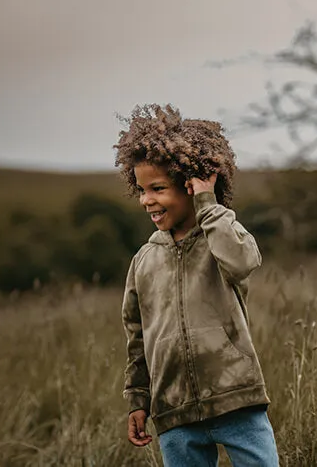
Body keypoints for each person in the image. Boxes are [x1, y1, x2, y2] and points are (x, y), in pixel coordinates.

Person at [114, 104, 278, 466]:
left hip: (237, 399)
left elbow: (242, 261)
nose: (146, 200)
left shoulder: (221, 237)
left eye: (157, 188)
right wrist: (139, 400)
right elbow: (136, 336)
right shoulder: (143, 260)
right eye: (141, 190)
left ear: (190, 184)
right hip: (174, 413)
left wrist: (208, 200)